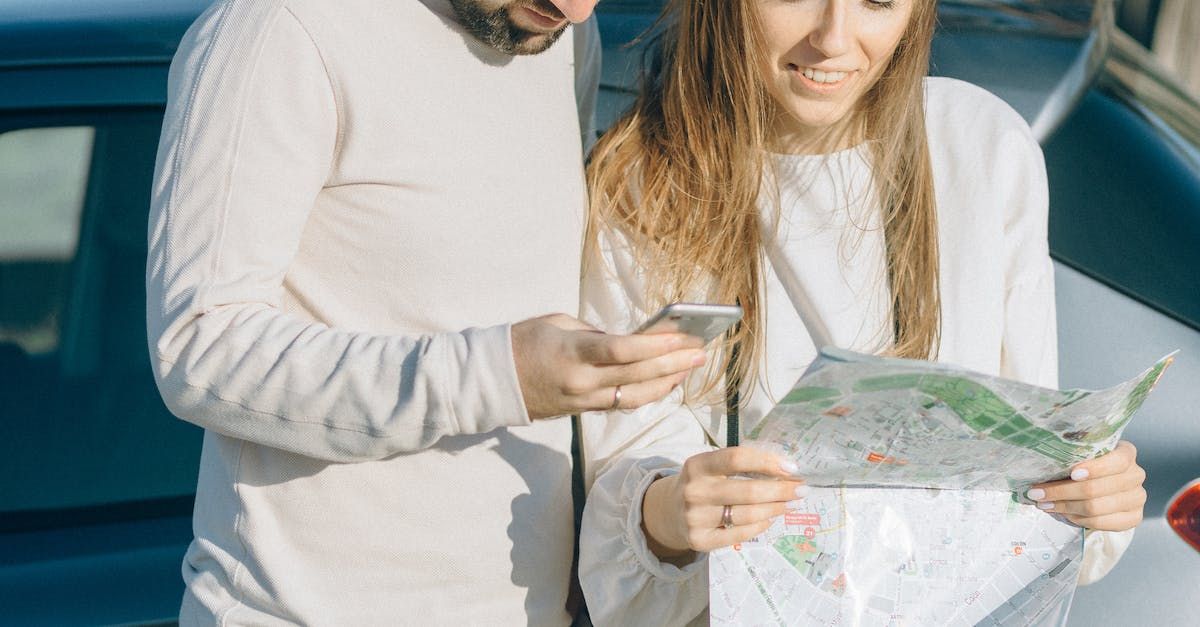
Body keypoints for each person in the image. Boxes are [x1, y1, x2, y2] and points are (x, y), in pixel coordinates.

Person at [576, 1, 1148, 624]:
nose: (833, 39)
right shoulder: (646, 183)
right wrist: (669, 509)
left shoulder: (983, 149)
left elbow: (1041, 465)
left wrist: (1095, 499)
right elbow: (625, 513)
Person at [146, 0, 711, 624]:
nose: (575, 10)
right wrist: (502, 375)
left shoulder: (565, 38)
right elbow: (199, 348)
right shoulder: (280, 27)